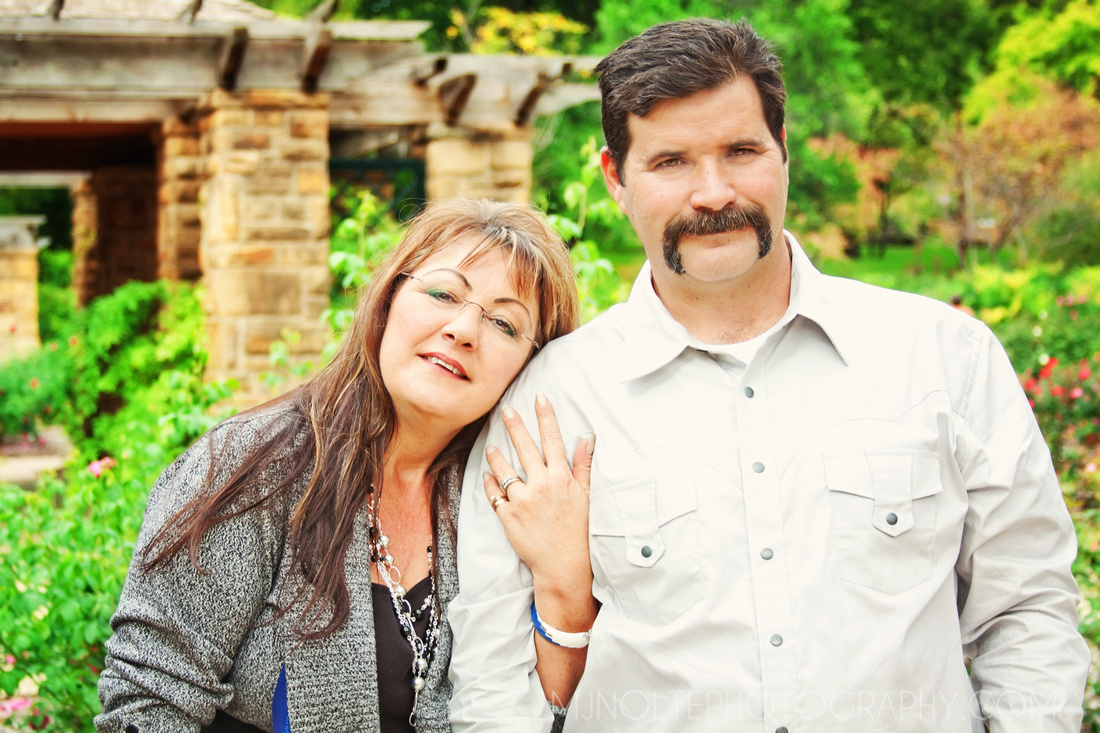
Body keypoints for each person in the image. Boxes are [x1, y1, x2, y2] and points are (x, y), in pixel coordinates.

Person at [448, 18, 1090, 732]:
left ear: (783, 152)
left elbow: (1027, 608)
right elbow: (492, 672)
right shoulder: (553, 401)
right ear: (615, 178)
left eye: (741, 150)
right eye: (671, 162)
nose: (713, 192)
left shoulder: (944, 356)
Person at [95, 197, 589, 732]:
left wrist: (565, 577)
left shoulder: (506, 494)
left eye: (505, 324)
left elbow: (554, 709)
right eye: (444, 293)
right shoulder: (253, 469)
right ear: (389, 298)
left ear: (533, 364)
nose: (464, 329)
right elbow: (147, 704)